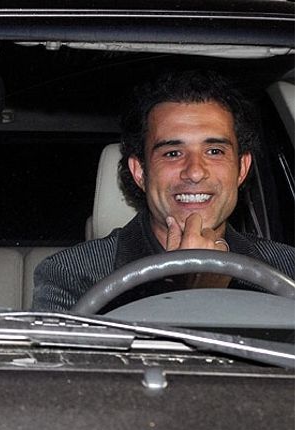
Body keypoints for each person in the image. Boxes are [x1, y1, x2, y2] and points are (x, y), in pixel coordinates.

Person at [33, 69, 295, 312]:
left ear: (241, 168)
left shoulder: (288, 269)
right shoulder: (73, 275)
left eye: (214, 151)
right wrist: (189, 294)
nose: (195, 171)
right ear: (140, 172)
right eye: (172, 153)